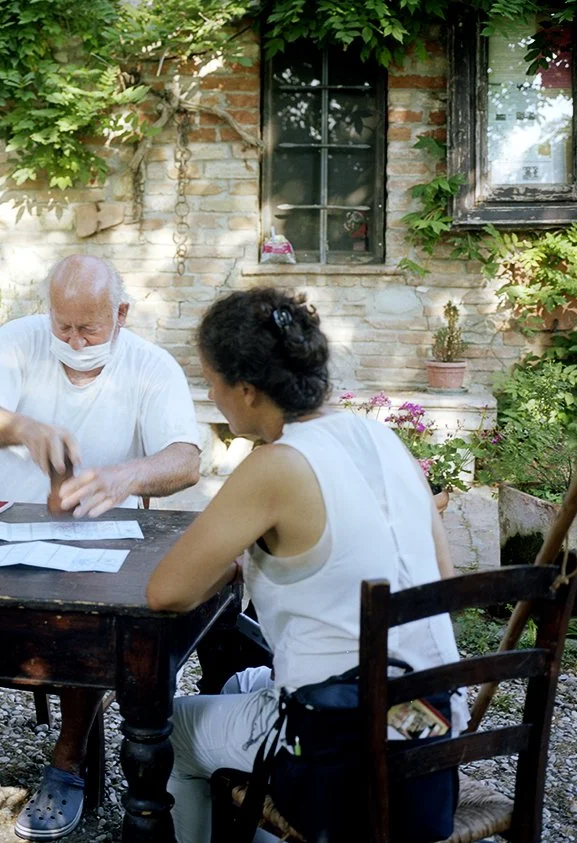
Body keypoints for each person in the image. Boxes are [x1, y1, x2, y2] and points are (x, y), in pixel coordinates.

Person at [145, 287, 467, 843]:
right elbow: (442, 579)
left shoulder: (276, 466)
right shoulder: (383, 437)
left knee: (169, 730)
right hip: (429, 721)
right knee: (245, 680)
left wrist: (233, 560)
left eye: (211, 380)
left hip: (346, 742)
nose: (210, 393)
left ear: (246, 391)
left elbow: (167, 592)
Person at [0, 254, 201, 839]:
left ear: (120, 313)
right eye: (62, 325)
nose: (72, 339)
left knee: (90, 632)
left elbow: (186, 459)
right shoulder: (17, 341)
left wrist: (124, 478)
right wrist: (23, 428)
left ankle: (66, 765)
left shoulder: (150, 365)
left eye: (88, 327)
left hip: (91, 538)